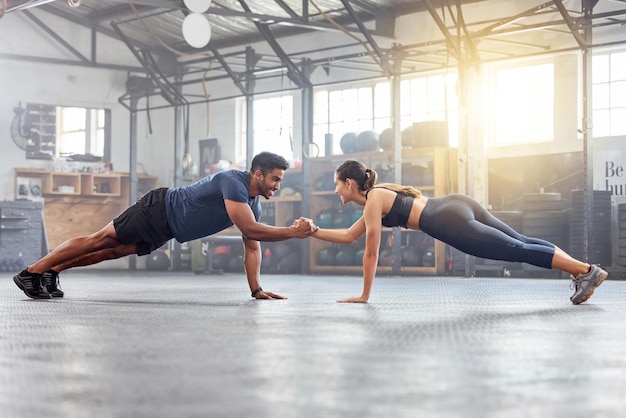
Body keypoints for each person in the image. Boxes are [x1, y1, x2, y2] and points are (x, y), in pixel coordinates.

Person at [13, 152, 316, 300]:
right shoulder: (233, 181)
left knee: (112, 252)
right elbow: (251, 232)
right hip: (158, 209)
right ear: (258, 174)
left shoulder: (254, 204)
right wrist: (292, 232)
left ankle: (52, 272)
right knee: (99, 241)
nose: (278, 185)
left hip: (168, 229)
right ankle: (32, 272)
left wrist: (257, 289)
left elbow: (253, 246)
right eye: (275, 178)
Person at [304, 159, 608, 304]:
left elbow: (370, 253)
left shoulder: (372, 200)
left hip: (449, 222)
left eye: (336, 183)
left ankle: (586, 271)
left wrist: (364, 295)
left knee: (514, 250)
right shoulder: (379, 196)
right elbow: (348, 236)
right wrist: (312, 231)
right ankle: (582, 272)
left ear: (349, 184)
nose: (334, 190)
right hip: (456, 203)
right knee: (521, 241)